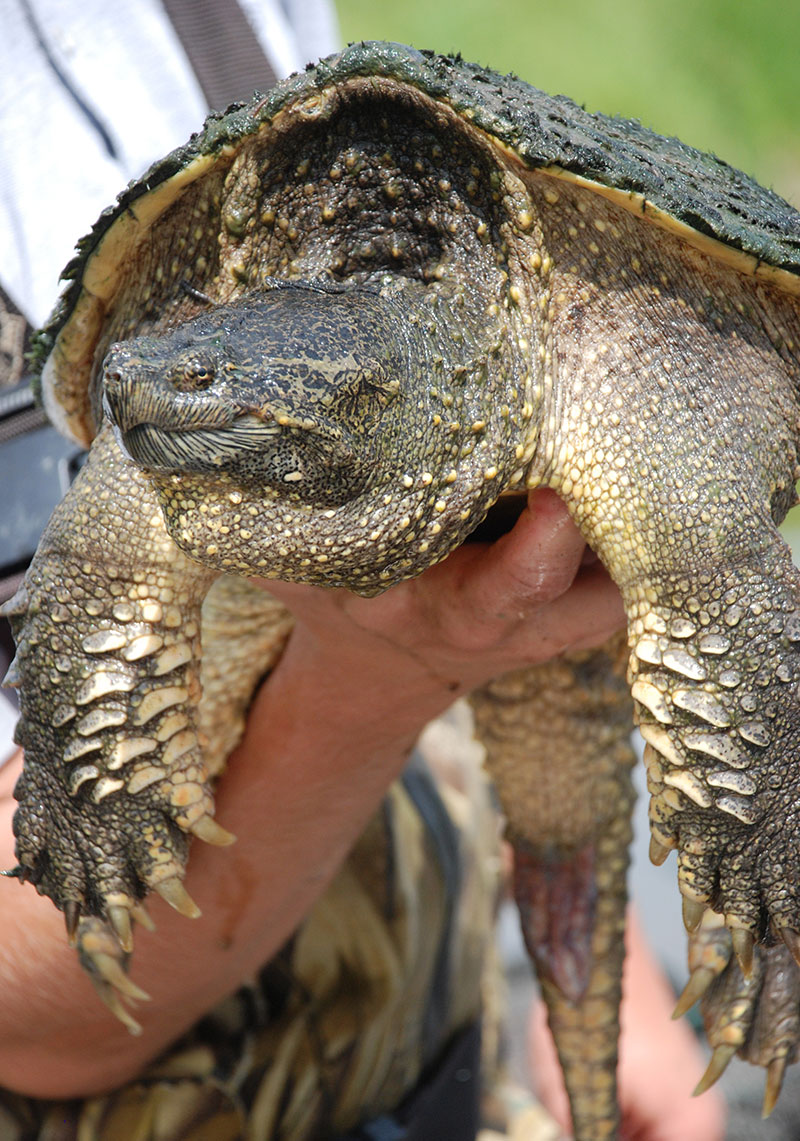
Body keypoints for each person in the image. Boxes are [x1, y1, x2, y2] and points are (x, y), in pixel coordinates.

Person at [0, 3, 726, 1138]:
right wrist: (372, 671)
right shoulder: (137, 502)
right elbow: (18, 1017)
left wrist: (591, 969)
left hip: (449, 1038)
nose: (140, 397)